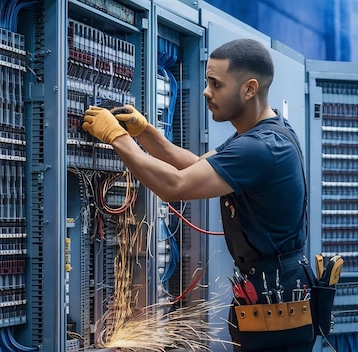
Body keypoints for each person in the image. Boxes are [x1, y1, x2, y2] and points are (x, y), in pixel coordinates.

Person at [82, 38, 315, 352]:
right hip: (273, 289)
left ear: (249, 89)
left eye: (216, 84)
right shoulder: (264, 133)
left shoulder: (260, 147)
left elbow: (175, 186)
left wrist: (118, 138)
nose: (207, 92)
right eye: (207, 82)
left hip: (275, 300)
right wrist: (146, 132)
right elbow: (196, 166)